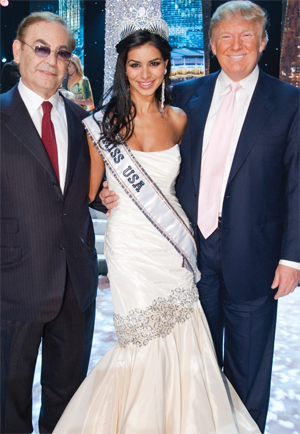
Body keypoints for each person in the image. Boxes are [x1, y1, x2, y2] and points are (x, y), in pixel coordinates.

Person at [53, 8, 260, 434]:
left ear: (166, 65)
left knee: (185, 331)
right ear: (123, 68)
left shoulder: (180, 118)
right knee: (141, 339)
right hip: (130, 245)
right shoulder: (103, 123)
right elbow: (90, 191)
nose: (144, 74)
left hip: (173, 243)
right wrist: (103, 195)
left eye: (153, 63)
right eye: (134, 64)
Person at [100, 1, 300, 432]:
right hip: (189, 259)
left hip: (256, 259)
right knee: (194, 367)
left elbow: (297, 184)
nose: (236, 45)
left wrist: (293, 258)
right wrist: (107, 194)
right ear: (211, 45)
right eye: (225, 36)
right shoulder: (187, 97)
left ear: (263, 43)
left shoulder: (289, 102)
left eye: (247, 35)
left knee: (248, 373)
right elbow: (151, 160)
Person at [1, 12, 104, 433]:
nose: (51, 60)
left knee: (67, 402)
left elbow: (89, 193)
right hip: (12, 286)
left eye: (61, 52)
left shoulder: (86, 126)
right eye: (41, 48)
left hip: (74, 286)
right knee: (8, 403)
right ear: (18, 51)